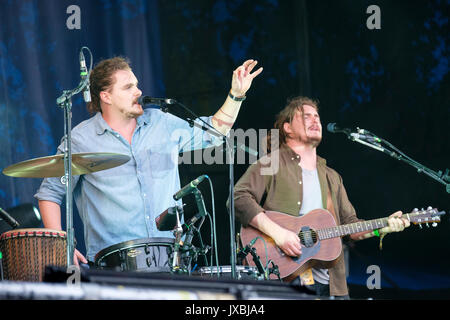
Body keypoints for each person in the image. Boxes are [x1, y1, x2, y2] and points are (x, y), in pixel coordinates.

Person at [35, 56, 263, 266]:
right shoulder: (82, 139)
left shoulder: (161, 122)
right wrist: (61, 245)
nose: (138, 91)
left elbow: (213, 132)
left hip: (170, 256)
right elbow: (49, 194)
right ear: (106, 96)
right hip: (113, 263)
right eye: (128, 87)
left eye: (136, 84)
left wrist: (236, 95)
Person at [232, 96, 410, 298]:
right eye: (306, 116)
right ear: (288, 128)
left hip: (331, 283)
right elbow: (238, 198)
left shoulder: (332, 177)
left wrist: (382, 228)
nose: (315, 120)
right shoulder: (271, 164)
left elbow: (350, 226)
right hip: (285, 280)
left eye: (317, 116)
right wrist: (278, 234)